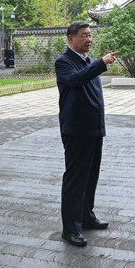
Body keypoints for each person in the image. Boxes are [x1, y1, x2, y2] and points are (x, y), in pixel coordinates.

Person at [55, 22, 119, 247]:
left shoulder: (88, 61)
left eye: (90, 35)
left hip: (93, 128)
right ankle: (70, 228)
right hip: (76, 130)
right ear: (71, 39)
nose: (89, 39)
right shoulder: (64, 62)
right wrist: (101, 63)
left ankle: (86, 215)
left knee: (91, 176)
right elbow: (75, 80)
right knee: (75, 178)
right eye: (84, 36)